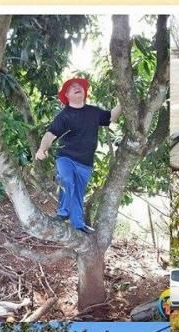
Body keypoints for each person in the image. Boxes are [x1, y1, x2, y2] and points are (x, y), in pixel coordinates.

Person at [35, 78, 122, 234]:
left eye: (80, 86)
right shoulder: (64, 116)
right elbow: (50, 134)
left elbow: (111, 117)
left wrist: (124, 102)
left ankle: (78, 224)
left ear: (85, 92)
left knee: (78, 194)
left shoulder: (93, 112)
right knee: (66, 180)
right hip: (66, 158)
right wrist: (42, 149)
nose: (78, 87)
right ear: (66, 95)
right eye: (72, 87)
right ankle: (63, 213)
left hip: (85, 163)